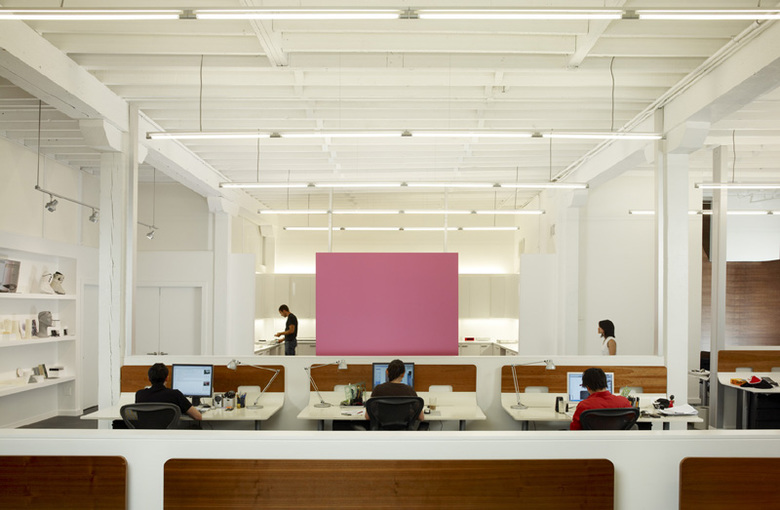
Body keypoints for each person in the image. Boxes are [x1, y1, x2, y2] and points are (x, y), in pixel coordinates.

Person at [135, 363, 202, 421]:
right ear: (167, 378)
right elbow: (198, 417)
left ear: (149, 378)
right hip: (169, 431)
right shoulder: (175, 394)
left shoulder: (140, 394)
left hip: (146, 431)